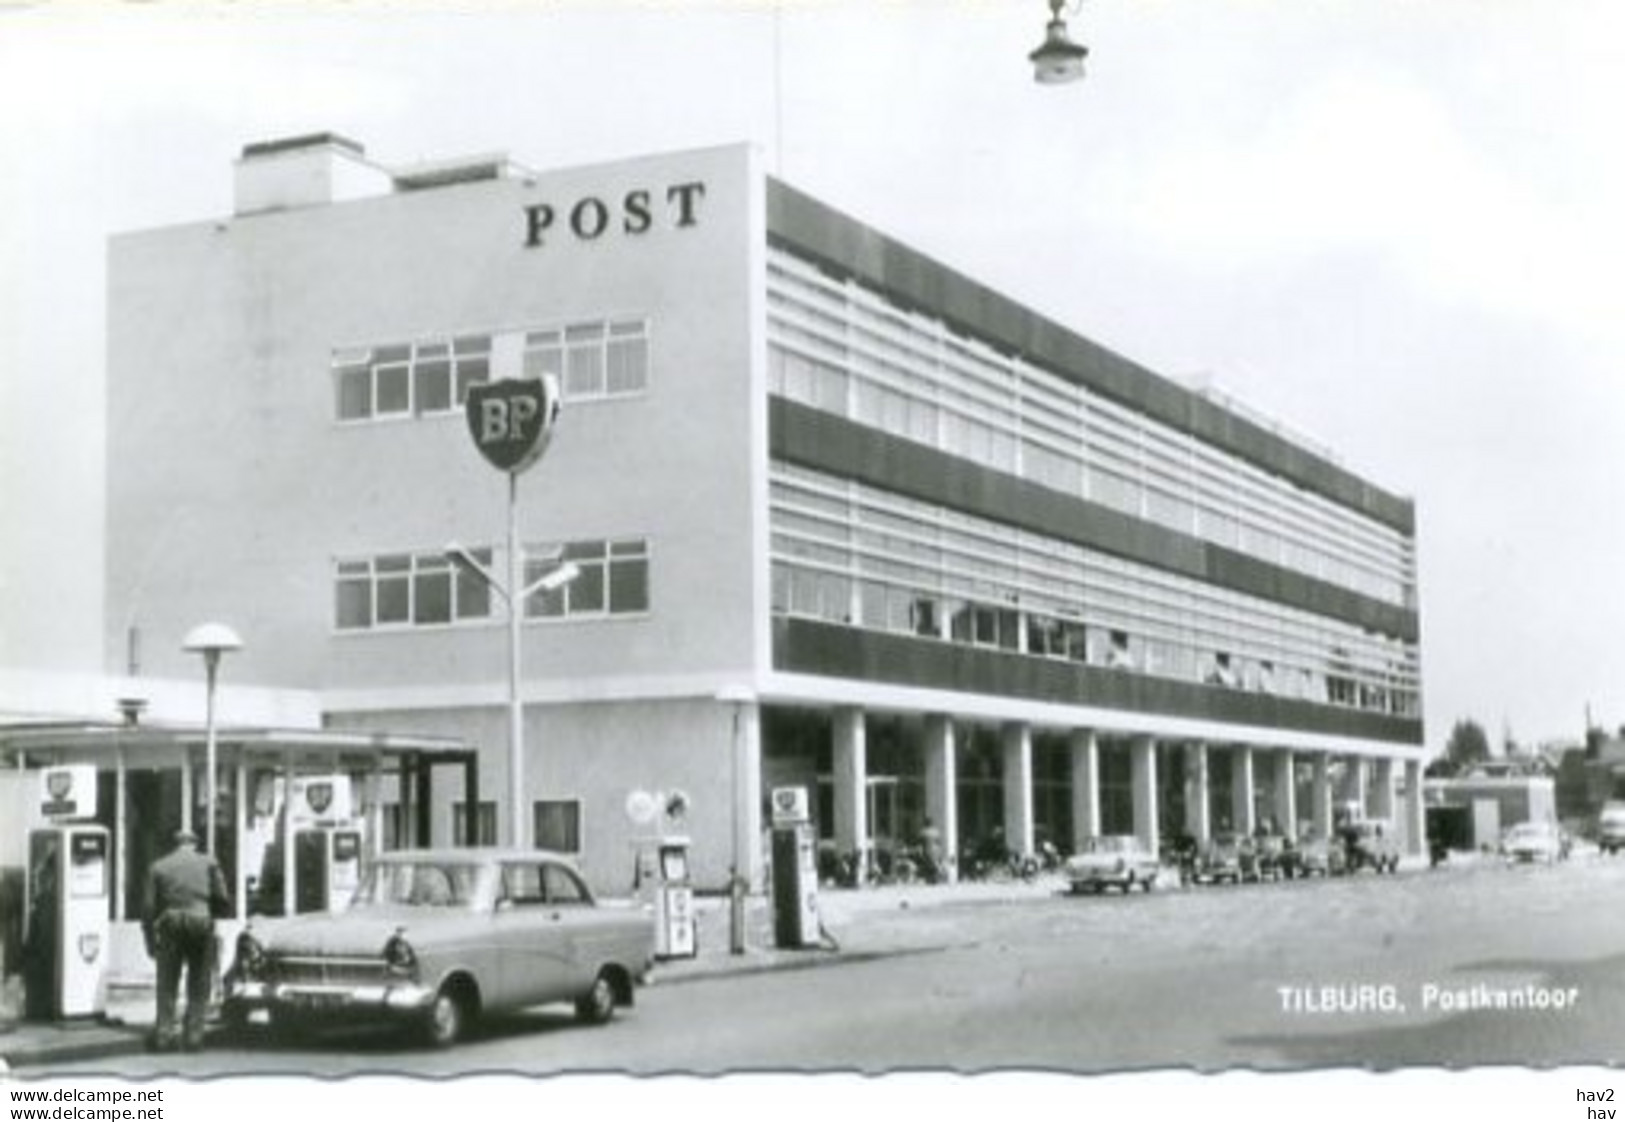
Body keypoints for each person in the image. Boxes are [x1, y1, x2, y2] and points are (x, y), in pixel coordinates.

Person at [142, 827, 230, 1052]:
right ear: (194, 843)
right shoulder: (209, 863)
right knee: (199, 982)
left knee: (167, 982)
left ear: (176, 843)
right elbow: (222, 898)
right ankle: (194, 1036)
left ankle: (164, 1035)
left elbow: (148, 907)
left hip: (170, 923)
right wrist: (213, 916)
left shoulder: (159, 866)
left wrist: (150, 939)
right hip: (201, 923)